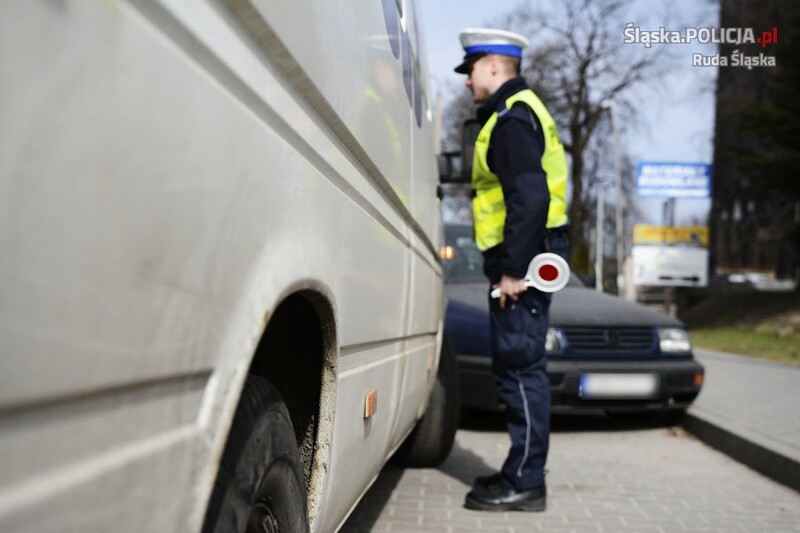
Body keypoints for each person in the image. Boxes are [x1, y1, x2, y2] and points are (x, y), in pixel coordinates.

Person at [454, 28, 570, 512]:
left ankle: (526, 482)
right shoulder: (517, 113)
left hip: (521, 264)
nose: (466, 81)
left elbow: (531, 195)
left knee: (520, 370)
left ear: (495, 67)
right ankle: (518, 469)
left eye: (472, 70)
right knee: (516, 367)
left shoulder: (513, 117)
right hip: (523, 257)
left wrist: (513, 271)